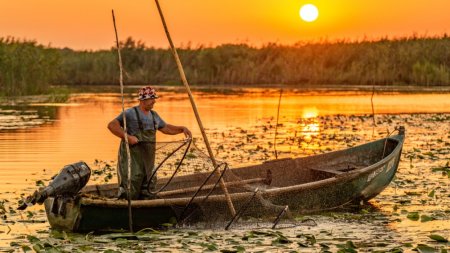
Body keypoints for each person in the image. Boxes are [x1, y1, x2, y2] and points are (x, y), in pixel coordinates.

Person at [107, 86, 191, 200]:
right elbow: (112, 125)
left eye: (154, 98)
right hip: (132, 159)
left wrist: (181, 129)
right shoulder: (130, 113)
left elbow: (165, 128)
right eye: (151, 98)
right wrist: (127, 137)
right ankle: (127, 206)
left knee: (150, 181)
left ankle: (145, 206)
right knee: (132, 182)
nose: (154, 101)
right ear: (142, 100)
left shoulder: (154, 115)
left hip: (148, 159)